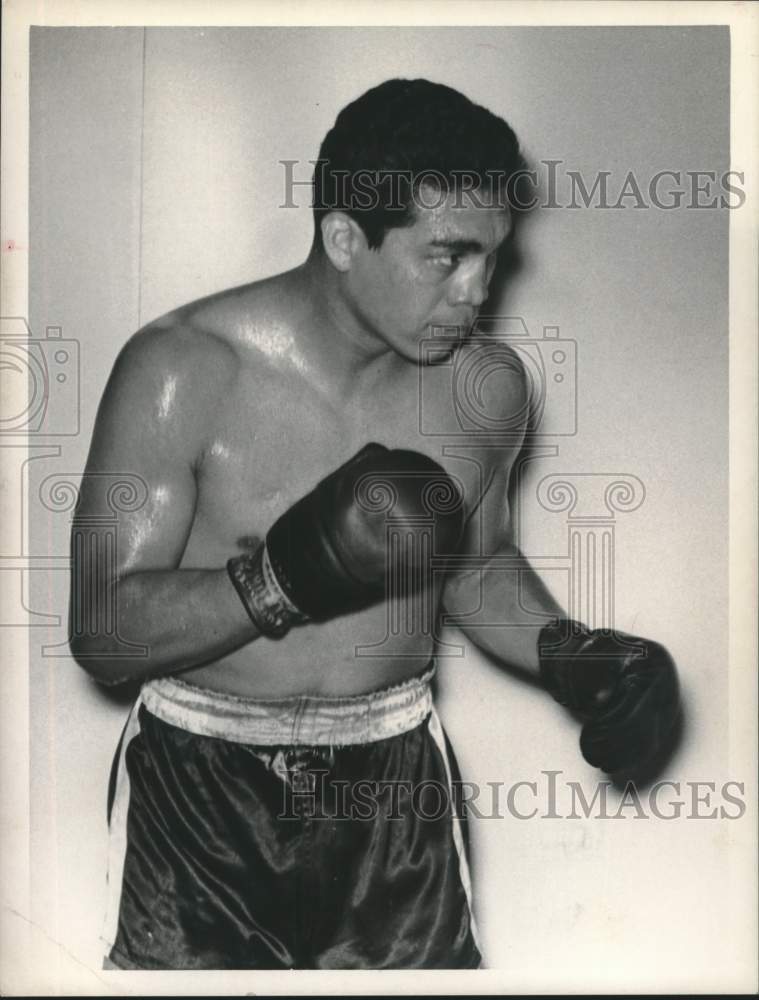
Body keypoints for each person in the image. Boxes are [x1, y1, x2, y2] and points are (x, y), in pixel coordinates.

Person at [70, 78, 680, 970]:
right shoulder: (184, 370)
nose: (477, 290)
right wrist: (279, 580)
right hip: (199, 792)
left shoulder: (485, 389)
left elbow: (471, 564)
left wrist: (571, 652)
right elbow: (101, 631)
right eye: (446, 255)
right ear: (345, 236)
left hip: (393, 788)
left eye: (493, 256)